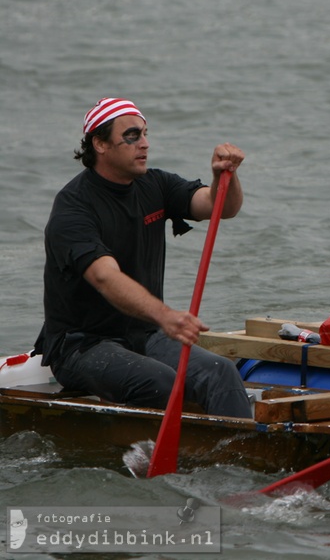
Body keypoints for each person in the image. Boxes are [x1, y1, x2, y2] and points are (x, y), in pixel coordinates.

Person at [32, 97, 251, 418]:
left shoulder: (155, 184)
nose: (144, 144)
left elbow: (220, 207)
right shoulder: (73, 207)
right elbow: (104, 276)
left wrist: (223, 176)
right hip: (82, 346)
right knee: (159, 381)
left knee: (221, 372)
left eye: (146, 134)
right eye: (132, 136)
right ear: (100, 144)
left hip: (144, 335)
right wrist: (165, 316)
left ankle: (238, 459)